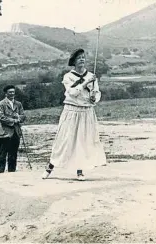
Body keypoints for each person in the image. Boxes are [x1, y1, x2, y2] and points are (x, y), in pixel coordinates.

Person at [42, 48, 107, 181]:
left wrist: (95, 97)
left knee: (82, 142)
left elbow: (97, 92)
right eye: (79, 58)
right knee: (64, 140)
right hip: (71, 111)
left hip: (86, 111)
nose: (82, 59)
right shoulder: (68, 77)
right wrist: (85, 83)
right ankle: (50, 167)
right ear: (74, 61)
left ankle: (80, 171)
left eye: (83, 57)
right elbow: (72, 93)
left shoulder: (91, 76)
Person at [0, 85, 26, 173]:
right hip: (4, 133)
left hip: (16, 133)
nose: (12, 93)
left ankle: (12, 174)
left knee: (13, 155)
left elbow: (23, 116)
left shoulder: (18, 104)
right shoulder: (1, 104)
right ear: (6, 94)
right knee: (2, 155)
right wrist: (15, 120)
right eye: (10, 92)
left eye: (13, 92)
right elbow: (1, 118)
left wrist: (19, 118)